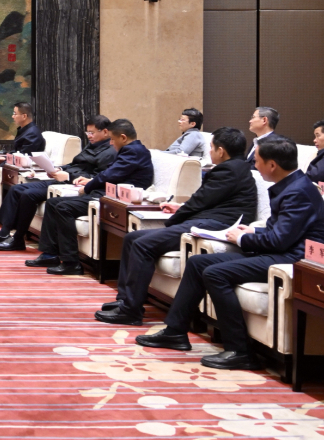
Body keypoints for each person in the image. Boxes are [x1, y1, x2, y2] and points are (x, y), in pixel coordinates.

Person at [137, 137, 324, 370]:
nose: (255, 165)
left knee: (215, 274)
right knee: (197, 263)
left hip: (291, 259)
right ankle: (175, 331)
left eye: (257, 161)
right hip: (281, 250)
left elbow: (279, 241)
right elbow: (284, 230)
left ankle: (240, 351)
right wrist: (254, 230)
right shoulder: (291, 185)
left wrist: (242, 239)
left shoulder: (298, 192)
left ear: (272, 165)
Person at [95, 127, 258, 326]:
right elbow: (207, 200)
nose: (210, 151)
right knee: (132, 238)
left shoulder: (228, 170)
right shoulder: (236, 168)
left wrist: (170, 223)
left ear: (221, 151)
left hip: (215, 225)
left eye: (211, 147)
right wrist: (180, 207)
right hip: (209, 218)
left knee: (143, 244)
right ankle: (125, 300)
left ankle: (131, 311)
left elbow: (199, 202)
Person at [26, 118, 154, 275]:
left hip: (116, 200)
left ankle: (71, 263)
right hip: (107, 193)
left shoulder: (133, 151)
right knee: (53, 203)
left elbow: (110, 174)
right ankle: (50, 254)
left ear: (123, 137)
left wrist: (87, 187)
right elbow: (109, 174)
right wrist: (90, 181)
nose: (111, 143)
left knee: (64, 208)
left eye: (112, 139)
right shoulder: (131, 150)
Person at [0, 115, 116, 251]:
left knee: (28, 195)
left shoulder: (110, 152)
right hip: (61, 178)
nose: (89, 136)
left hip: (72, 185)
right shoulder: (92, 145)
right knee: (16, 189)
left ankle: (18, 238)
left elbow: (96, 178)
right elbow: (75, 164)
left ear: (105, 132)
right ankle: (4, 233)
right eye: (87, 133)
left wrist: (68, 176)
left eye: (92, 133)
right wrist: (59, 169)